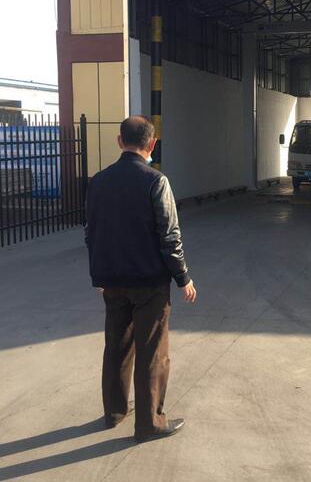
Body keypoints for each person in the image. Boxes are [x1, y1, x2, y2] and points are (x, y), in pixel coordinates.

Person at [85, 115, 197, 443]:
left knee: (116, 347)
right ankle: (150, 424)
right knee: (152, 353)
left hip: (112, 280)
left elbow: (92, 232)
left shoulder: (98, 181)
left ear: (120, 141)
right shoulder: (155, 181)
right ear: (152, 144)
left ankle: (114, 412)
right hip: (149, 283)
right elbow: (169, 235)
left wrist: (99, 276)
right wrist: (183, 277)